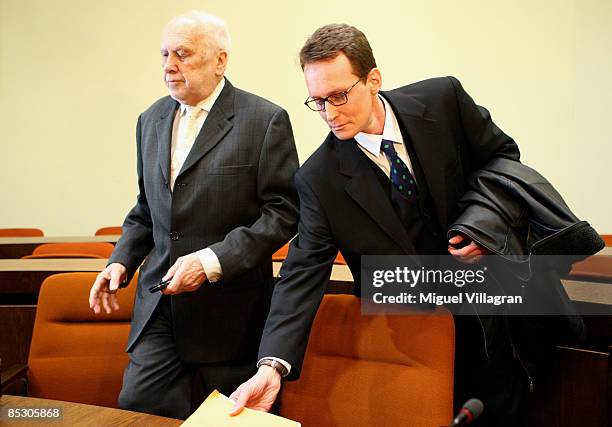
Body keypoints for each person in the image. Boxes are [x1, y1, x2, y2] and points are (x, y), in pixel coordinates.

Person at [229, 23, 531, 425]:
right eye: (318, 101)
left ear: (373, 80)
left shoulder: (443, 100)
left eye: (339, 96)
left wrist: (485, 226)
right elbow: (301, 273)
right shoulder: (318, 180)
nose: (330, 114)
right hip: (408, 334)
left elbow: (502, 159)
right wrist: (271, 367)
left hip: (492, 310)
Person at [87, 11, 299, 420]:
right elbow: (147, 210)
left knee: (230, 420)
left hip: (231, 315)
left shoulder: (263, 120)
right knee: (136, 412)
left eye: (182, 54)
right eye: (165, 54)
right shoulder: (150, 120)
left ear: (220, 61)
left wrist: (211, 261)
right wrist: (120, 260)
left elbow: (283, 213)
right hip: (160, 307)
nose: (169, 65)